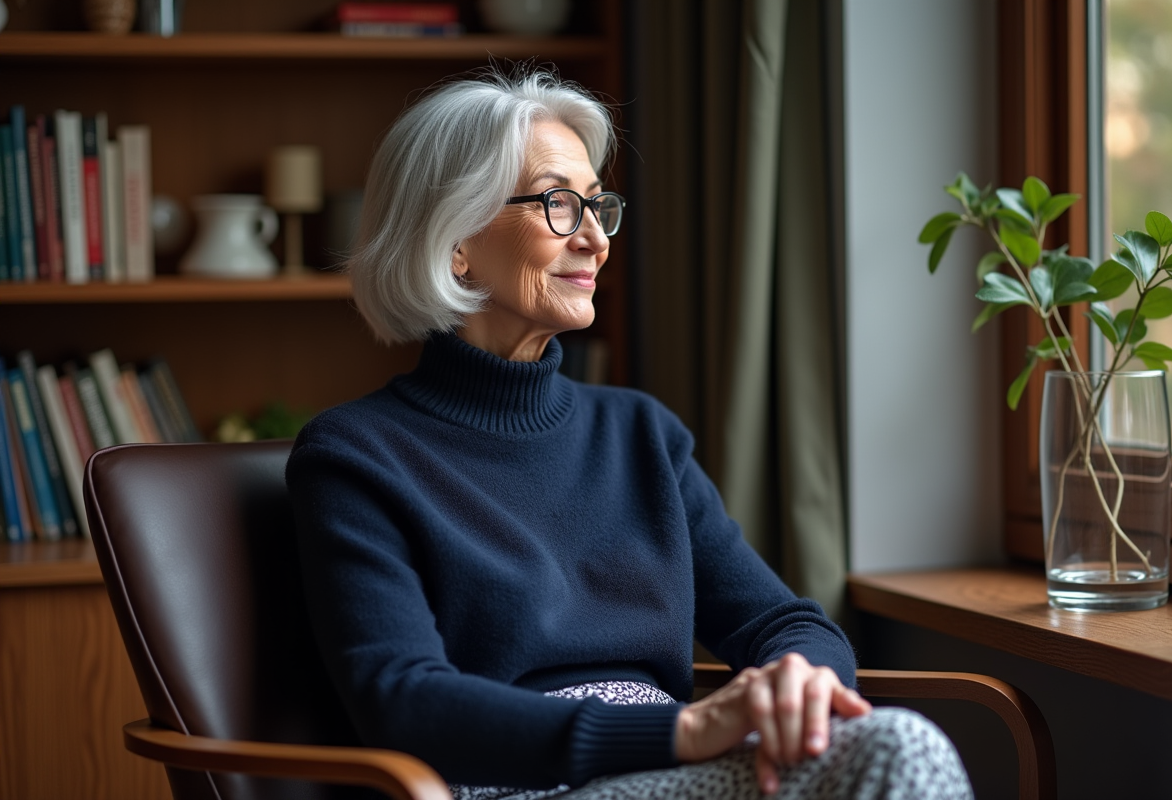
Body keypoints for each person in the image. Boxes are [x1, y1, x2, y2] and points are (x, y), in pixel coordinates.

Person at [286, 68, 972, 800]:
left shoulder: (641, 433)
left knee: (890, 745)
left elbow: (785, 621)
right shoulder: (355, 456)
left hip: (680, 768)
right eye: (558, 204)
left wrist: (799, 683)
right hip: (520, 784)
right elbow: (403, 701)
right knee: (901, 748)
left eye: (597, 207)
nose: (594, 239)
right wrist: (681, 733)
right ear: (455, 238)